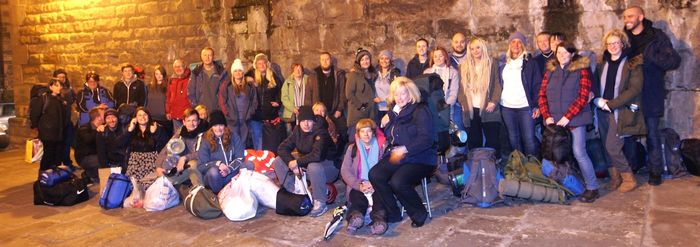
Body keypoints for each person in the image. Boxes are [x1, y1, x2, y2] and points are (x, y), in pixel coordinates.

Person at [623, 6, 681, 185]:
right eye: (625, 17)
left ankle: (655, 171)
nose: (627, 19)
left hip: (651, 93)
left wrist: (649, 57)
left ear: (641, 17)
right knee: (628, 134)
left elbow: (674, 61)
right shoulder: (622, 38)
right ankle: (631, 169)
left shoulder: (657, 36)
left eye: (630, 16)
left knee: (652, 133)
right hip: (629, 94)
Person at [370, 77, 436, 234]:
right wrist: (389, 120)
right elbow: (391, 135)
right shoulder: (395, 112)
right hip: (398, 156)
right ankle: (393, 212)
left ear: (411, 94)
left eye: (403, 94)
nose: (399, 98)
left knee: (398, 182)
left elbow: (426, 139)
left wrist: (405, 149)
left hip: (421, 158)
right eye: (396, 94)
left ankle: (419, 213)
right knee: (375, 174)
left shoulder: (420, 110)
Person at [539, 41, 599, 202]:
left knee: (579, 152)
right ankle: (566, 183)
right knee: (558, 154)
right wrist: (547, 116)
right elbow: (542, 95)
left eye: (566, 53)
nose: (562, 56)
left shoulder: (581, 70)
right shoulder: (551, 70)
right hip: (554, 121)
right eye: (559, 53)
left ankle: (592, 187)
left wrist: (567, 117)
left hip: (575, 119)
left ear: (572, 54)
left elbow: (583, 96)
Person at [593, 29, 645, 193]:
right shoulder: (602, 63)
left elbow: (635, 89)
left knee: (612, 146)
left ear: (622, 44)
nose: (613, 46)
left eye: (616, 43)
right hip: (602, 110)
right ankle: (615, 178)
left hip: (621, 110)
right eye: (610, 44)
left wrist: (612, 104)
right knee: (604, 145)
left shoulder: (632, 63)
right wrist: (597, 99)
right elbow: (594, 84)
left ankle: (629, 178)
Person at [273, 105, 338, 217]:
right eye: (303, 121)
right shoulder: (297, 131)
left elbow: (317, 156)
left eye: (309, 121)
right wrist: (290, 163)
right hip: (307, 164)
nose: (306, 124)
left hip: (329, 167)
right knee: (278, 161)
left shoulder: (321, 133)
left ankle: (320, 201)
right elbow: (282, 148)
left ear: (314, 121)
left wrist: (297, 163)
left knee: (313, 166)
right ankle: (294, 190)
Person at [499, 31, 543, 156]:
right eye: (513, 42)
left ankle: (532, 168)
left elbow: (537, 85)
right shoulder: (503, 63)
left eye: (519, 42)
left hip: (525, 107)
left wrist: (536, 105)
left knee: (529, 140)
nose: (516, 45)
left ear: (523, 45)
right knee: (513, 139)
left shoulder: (530, 63)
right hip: (507, 107)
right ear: (509, 44)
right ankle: (519, 166)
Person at [340, 119, 386, 234]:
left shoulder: (382, 148)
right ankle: (355, 218)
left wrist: (375, 184)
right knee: (357, 199)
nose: (366, 134)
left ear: (374, 132)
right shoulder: (352, 149)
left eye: (369, 131)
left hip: (377, 185)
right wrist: (358, 185)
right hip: (359, 185)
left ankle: (379, 222)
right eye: (362, 131)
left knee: (379, 201)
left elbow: (387, 171)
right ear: (358, 134)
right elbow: (345, 171)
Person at [458, 37, 503, 154]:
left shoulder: (492, 63)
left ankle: (493, 165)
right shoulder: (463, 66)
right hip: (471, 109)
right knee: (474, 141)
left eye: (478, 47)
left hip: (489, 107)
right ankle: (476, 164)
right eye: (472, 49)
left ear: (483, 48)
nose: (475, 51)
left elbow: (497, 85)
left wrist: (493, 101)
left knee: (493, 141)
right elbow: (460, 88)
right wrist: (463, 103)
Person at [197, 110, 248, 193]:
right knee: (213, 172)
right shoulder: (205, 141)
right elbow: (201, 166)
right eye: (215, 125)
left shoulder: (234, 136)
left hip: (231, 174)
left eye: (221, 125)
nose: (218, 128)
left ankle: (233, 190)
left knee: (248, 165)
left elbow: (240, 157)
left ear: (225, 126)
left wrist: (229, 169)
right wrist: (217, 164)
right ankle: (219, 194)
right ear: (211, 127)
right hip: (215, 178)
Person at [154, 108, 207, 185]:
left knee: (192, 165)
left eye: (194, 120)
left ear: (198, 122)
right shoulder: (181, 132)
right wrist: (158, 166)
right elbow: (167, 148)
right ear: (184, 122)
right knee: (163, 176)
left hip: (197, 164)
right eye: (188, 121)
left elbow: (202, 153)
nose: (191, 123)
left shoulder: (204, 133)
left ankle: (199, 191)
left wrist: (185, 158)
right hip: (180, 165)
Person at [30, 78, 71, 172]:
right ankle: (43, 173)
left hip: (58, 132)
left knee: (57, 154)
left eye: (60, 85)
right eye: (57, 85)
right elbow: (35, 114)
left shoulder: (60, 99)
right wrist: (37, 127)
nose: (60, 87)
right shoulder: (44, 98)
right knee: (48, 153)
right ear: (50, 87)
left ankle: (53, 173)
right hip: (47, 132)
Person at [247, 53, 284, 152]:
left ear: (267, 64)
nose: (262, 65)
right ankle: (259, 164)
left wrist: (278, 102)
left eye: (264, 63)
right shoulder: (252, 76)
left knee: (270, 143)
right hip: (256, 116)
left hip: (270, 117)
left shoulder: (273, 77)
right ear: (256, 65)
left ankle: (269, 163)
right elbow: (241, 79)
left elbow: (281, 91)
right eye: (259, 63)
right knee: (258, 143)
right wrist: (247, 79)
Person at [125, 107, 168, 189]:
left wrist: (155, 133)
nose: (142, 117)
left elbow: (165, 144)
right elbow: (121, 143)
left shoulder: (157, 127)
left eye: (145, 114)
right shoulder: (131, 128)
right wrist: (129, 130)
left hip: (152, 160)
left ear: (149, 116)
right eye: (139, 115)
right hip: (135, 161)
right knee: (132, 186)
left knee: (150, 185)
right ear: (135, 118)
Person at [219, 59, 257, 149]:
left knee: (243, 142)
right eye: (235, 71)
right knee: (233, 141)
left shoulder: (249, 86)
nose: (238, 73)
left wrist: (250, 114)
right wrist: (227, 114)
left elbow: (254, 102)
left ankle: (241, 160)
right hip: (232, 119)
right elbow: (222, 101)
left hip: (245, 119)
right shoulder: (227, 86)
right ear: (232, 73)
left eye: (240, 70)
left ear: (243, 72)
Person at [423, 46, 460, 130]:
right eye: (435, 56)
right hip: (431, 109)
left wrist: (445, 106)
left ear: (445, 57)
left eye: (441, 56)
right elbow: (425, 92)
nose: (438, 58)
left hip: (448, 108)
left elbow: (454, 92)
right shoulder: (426, 72)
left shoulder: (453, 72)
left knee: (448, 134)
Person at [313, 52, 348, 141]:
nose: (325, 61)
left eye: (327, 59)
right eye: (323, 60)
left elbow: (342, 93)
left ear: (331, 61)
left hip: (335, 111)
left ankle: (340, 153)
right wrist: (313, 110)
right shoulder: (314, 75)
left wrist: (339, 109)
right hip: (319, 112)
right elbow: (309, 93)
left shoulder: (339, 74)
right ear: (320, 61)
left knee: (342, 132)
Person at [346, 48, 378, 132]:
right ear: (359, 62)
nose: (365, 61)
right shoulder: (353, 75)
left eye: (367, 59)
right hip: (357, 113)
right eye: (362, 60)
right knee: (356, 139)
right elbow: (349, 94)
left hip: (370, 113)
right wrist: (360, 106)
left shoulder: (373, 74)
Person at [281, 63, 319, 133]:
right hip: (293, 112)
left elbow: (314, 94)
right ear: (292, 71)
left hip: (306, 109)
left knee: (307, 130)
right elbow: (284, 98)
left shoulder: (308, 79)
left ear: (302, 70)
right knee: (294, 132)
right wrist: (293, 108)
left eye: (299, 69)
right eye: (295, 69)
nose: (298, 71)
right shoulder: (288, 82)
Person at [188, 47, 228, 112]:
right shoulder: (196, 72)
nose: (207, 57)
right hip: (201, 111)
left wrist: (221, 107)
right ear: (201, 57)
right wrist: (196, 107)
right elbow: (191, 91)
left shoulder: (221, 72)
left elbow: (225, 92)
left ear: (213, 56)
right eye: (205, 55)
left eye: (209, 55)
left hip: (217, 110)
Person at [53, 69, 77, 170]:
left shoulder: (69, 90)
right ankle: (57, 164)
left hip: (67, 121)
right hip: (57, 123)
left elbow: (74, 102)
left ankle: (67, 163)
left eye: (63, 77)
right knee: (58, 145)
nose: (62, 79)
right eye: (59, 77)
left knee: (67, 143)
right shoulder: (52, 90)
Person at [75, 108, 104, 184]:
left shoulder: (103, 127)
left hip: (95, 155)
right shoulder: (84, 128)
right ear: (98, 118)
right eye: (104, 114)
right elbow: (87, 139)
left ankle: (92, 173)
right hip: (84, 157)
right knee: (102, 161)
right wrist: (97, 130)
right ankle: (89, 174)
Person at [374, 50, 401, 123]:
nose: (384, 60)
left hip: (389, 107)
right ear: (379, 60)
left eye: (387, 58)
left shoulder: (395, 73)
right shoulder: (375, 73)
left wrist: (385, 100)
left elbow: (397, 90)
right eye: (382, 58)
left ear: (390, 60)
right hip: (377, 108)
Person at [167, 59, 192, 132]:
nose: (178, 69)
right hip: (175, 115)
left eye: (180, 66)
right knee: (177, 137)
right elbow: (168, 96)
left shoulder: (191, 78)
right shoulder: (172, 79)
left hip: (187, 114)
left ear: (184, 66)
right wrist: (168, 111)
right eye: (176, 67)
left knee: (188, 135)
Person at [146, 65, 172, 137]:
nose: (158, 76)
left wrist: (169, 112)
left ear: (164, 75)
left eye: (160, 74)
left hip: (164, 119)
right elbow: (145, 101)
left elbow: (170, 101)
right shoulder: (148, 87)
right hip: (151, 118)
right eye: (156, 74)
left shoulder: (168, 87)